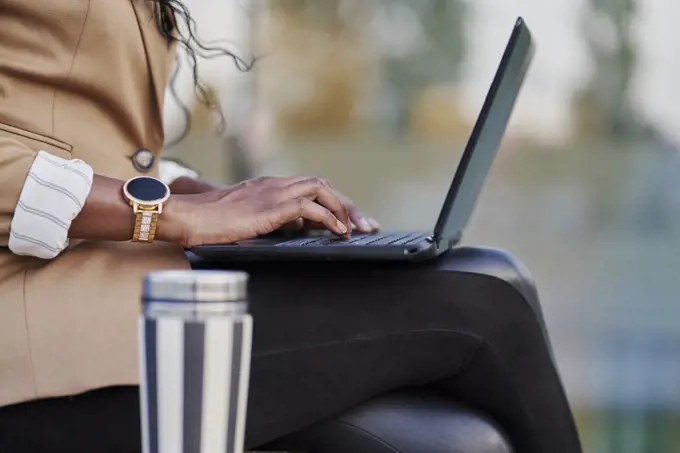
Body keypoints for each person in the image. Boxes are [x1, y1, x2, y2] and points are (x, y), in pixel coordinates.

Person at [0, 1, 583, 452]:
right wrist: (178, 214)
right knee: (484, 294)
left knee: (465, 419)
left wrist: (222, 199)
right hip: (36, 316)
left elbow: (103, 149)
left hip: (130, 283)